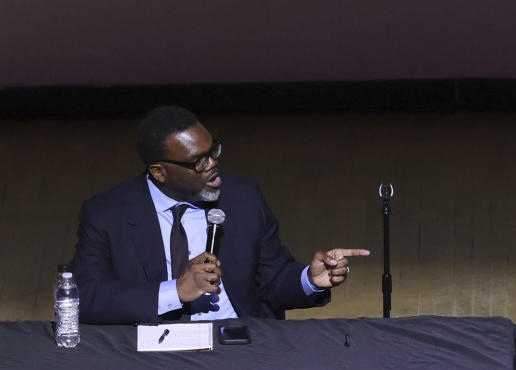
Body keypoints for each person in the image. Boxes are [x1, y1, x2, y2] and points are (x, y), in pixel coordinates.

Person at [72, 105, 369, 324]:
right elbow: (85, 299)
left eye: (213, 151)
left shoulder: (241, 197)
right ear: (159, 172)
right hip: (155, 348)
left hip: (237, 342)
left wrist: (309, 279)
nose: (212, 164)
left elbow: (272, 282)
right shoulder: (107, 213)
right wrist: (175, 291)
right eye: (198, 162)